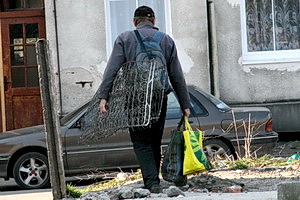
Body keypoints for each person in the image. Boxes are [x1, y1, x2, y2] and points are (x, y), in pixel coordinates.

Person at [98, 5, 191, 193]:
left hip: (134, 98)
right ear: (154, 21)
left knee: (141, 141)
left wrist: (104, 96)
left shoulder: (125, 39)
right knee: (155, 139)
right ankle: (152, 179)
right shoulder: (166, 40)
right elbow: (177, 76)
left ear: (134, 22)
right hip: (159, 97)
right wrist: (185, 104)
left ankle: (151, 182)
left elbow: (112, 70)